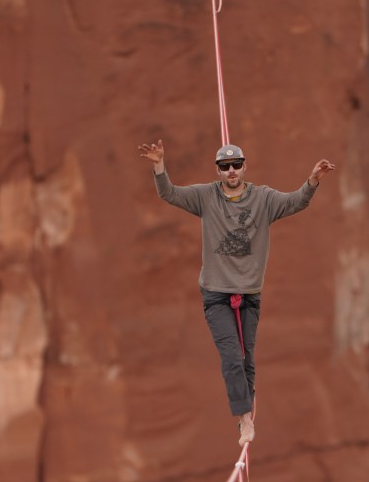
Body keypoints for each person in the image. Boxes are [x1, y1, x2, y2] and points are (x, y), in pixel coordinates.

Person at [138, 139, 336, 446]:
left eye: (236, 165)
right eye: (224, 167)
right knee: (231, 356)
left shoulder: (264, 199)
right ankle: (245, 420)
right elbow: (170, 194)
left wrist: (313, 181)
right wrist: (159, 165)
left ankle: (247, 411)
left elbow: (297, 202)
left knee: (247, 360)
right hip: (215, 292)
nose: (231, 171)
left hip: (249, 293)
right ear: (217, 171)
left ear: (245, 166)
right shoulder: (206, 197)